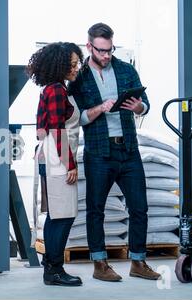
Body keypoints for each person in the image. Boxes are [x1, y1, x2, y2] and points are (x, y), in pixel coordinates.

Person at [68, 23, 161, 282]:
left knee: (139, 207)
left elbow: (146, 106)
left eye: (110, 50)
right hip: (99, 152)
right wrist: (100, 108)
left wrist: (138, 107)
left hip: (128, 149)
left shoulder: (126, 70)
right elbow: (77, 118)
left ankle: (138, 262)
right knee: (96, 210)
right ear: (89, 47)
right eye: (101, 51)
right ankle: (99, 263)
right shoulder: (79, 77)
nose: (106, 56)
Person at [28, 42, 84, 286]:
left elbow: (41, 128)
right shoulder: (57, 91)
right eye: (71, 64)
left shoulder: (53, 89)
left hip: (50, 156)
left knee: (57, 214)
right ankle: (54, 270)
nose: (75, 68)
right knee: (63, 215)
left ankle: (51, 268)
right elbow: (57, 130)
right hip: (58, 159)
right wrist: (69, 164)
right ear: (59, 65)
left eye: (77, 63)